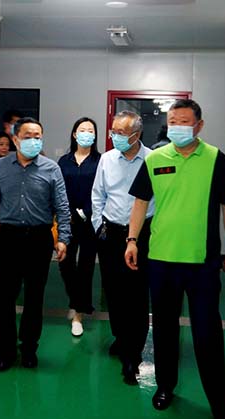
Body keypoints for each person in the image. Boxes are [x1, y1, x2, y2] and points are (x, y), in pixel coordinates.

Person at [125, 99, 225, 419]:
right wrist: (132, 240)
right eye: (173, 121)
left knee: (207, 335)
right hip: (161, 261)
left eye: (184, 121)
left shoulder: (217, 159)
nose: (177, 126)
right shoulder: (155, 159)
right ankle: (165, 387)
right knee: (164, 330)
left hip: (202, 263)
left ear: (199, 125)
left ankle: (218, 403)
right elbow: (140, 202)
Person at [0, 117, 71, 371]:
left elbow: (62, 206)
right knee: (5, 297)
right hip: (8, 238)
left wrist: (63, 238)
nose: (33, 141)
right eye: (28, 136)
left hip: (38, 239)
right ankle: (6, 351)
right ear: (15, 139)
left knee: (34, 297)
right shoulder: (1, 166)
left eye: (37, 137)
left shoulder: (51, 168)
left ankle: (29, 348)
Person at [91, 110, 154, 385]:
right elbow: (97, 195)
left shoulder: (153, 159)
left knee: (137, 293)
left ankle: (133, 355)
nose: (114, 136)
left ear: (136, 135)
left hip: (142, 235)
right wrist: (98, 226)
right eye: (113, 131)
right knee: (113, 291)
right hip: (112, 233)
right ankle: (120, 336)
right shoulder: (106, 159)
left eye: (120, 133)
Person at [57, 117, 101, 336]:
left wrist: (86, 212)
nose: (86, 133)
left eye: (90, 130)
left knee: (86, 267)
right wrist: (65, 213)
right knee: (65, 264)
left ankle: (78, 314)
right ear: (74, 134)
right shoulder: (64, 161)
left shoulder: (100, 161)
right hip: (67, 221)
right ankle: (77, 301)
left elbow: (102, 190)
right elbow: (57, 189)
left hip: (90, 222)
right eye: (82, 130)